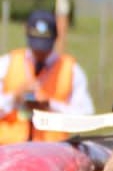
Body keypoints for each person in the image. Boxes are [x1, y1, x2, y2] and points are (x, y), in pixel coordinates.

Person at [0, 8, 93, 143]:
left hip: (51, 152)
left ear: (55, 39)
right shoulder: (6, 64)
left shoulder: (72, 70)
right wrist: (14, 97)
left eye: (44, 47)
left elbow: (85, 116)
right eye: (35, 45)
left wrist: (50, 105)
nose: (39, 52)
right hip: (9, 151)